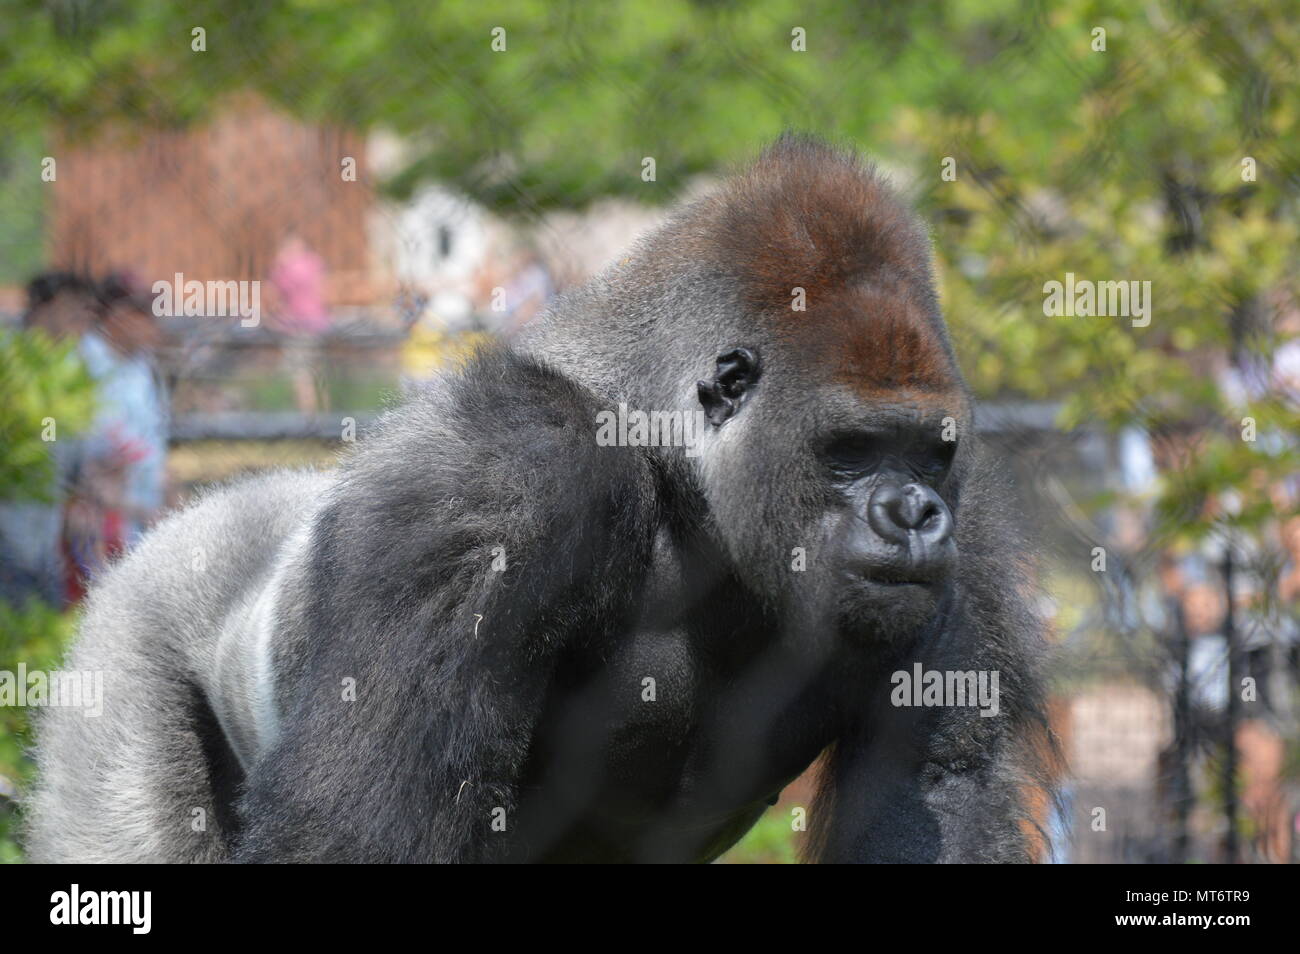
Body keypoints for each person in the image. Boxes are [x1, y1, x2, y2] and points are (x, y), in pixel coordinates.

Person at [269, 234, 328, 412]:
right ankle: (326, 415)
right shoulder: (315, 263)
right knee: (318, 372)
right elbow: (323, 292)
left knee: (301, 374)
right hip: (318, 324)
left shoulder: (283, 269)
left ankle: (308, 417)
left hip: (297, 326)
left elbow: (273, 298)